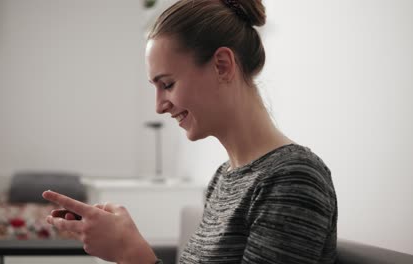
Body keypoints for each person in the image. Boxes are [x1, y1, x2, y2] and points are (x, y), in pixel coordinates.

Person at [43, 0, 338, 263]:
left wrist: (130, 253)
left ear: (222, 66)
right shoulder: (223, 179)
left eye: (167, 84)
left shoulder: (293, 179)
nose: (159, 106)